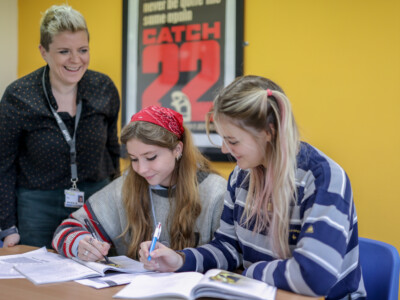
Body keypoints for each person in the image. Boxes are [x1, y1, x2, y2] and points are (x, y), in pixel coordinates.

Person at [138, 76, 367, 299]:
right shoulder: (241, 175)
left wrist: (251, 272)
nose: (225, 150)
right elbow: (229, 248)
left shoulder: (323, 177)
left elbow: (314, 276)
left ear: (269, 132)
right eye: (223, 139)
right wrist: (179, 260)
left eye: (233, 141)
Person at [0, 5, 120, 249]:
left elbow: (112, 149)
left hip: (95, 201)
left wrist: (117, 203)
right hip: (37, 204)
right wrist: (7, 226)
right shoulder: (19, 95)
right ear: (43, 51)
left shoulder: (103, 88)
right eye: (64, 51)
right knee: (37, 278)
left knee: (93, 273)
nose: (76, 60)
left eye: (83, 50)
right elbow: (3, 165)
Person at [52, 106, 227, 261]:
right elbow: (65, 230)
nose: (141, 169)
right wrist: (80, 244)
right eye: (134, 159)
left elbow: (230, 255)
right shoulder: (126, 186)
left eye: (151, 157)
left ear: (177, 149)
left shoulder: (215, 192)